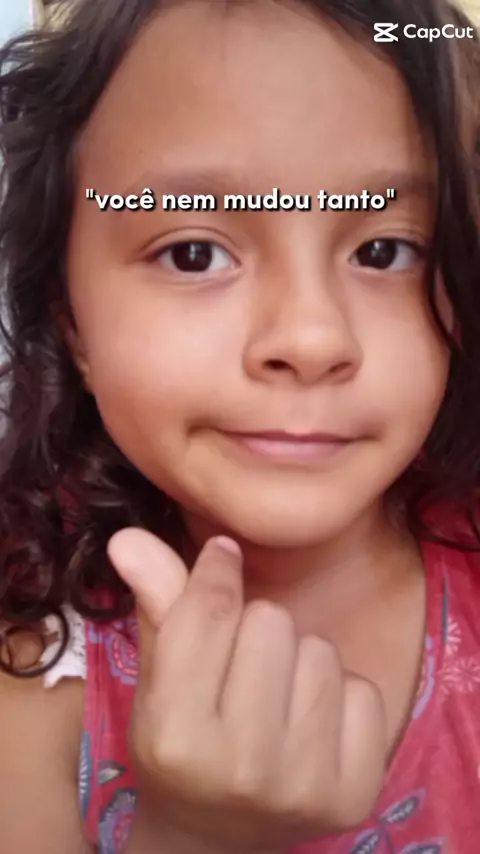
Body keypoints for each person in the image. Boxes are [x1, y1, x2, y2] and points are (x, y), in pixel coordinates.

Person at [0, 0, 479, 851]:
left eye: (384, 251)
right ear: (70, 322)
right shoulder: (28, 656)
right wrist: (191, 834)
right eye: (194, 253)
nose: (312, 339)